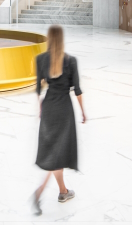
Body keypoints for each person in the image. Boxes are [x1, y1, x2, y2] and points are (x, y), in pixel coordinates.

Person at [31, 25, 86, 215]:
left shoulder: (40, 59)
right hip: (64, 110)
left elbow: (38, 88)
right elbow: (77, 90)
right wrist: (83, 112)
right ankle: (39, 192)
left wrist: (40, 108)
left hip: (49, 108)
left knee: (55, 151)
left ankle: (63, 191)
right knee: (57, 152)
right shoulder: (71, 61)